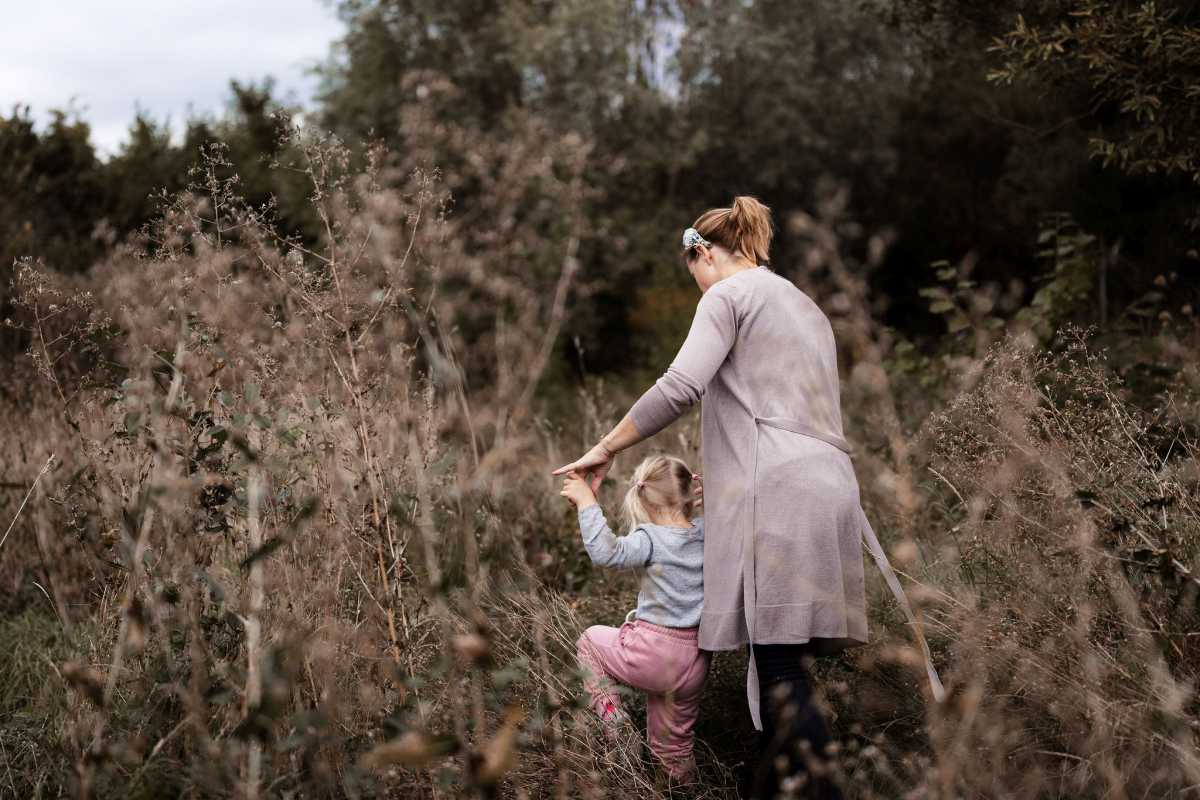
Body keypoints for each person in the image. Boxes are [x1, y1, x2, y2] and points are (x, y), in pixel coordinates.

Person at [554, 196, 873, 799]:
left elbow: (679, 386)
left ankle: (821, 790)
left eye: (693, 271)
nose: (698, 287)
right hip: (831, 487)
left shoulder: (728, 295)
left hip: (778, 488)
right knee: (789, 661)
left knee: (779, 667)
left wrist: (606, 448)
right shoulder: (805, 307)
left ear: (702, 254)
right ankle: (774, 784)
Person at [561, 454, 710, 781]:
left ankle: (614, 721)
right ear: (690, 494)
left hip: (651, 653)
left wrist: (588, 503)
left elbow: (606, 551)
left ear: (643, 498)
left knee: (589, 642)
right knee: (673, 751)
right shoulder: (707, 533)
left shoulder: (650, 538)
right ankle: (688, 788)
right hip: (694, 662)